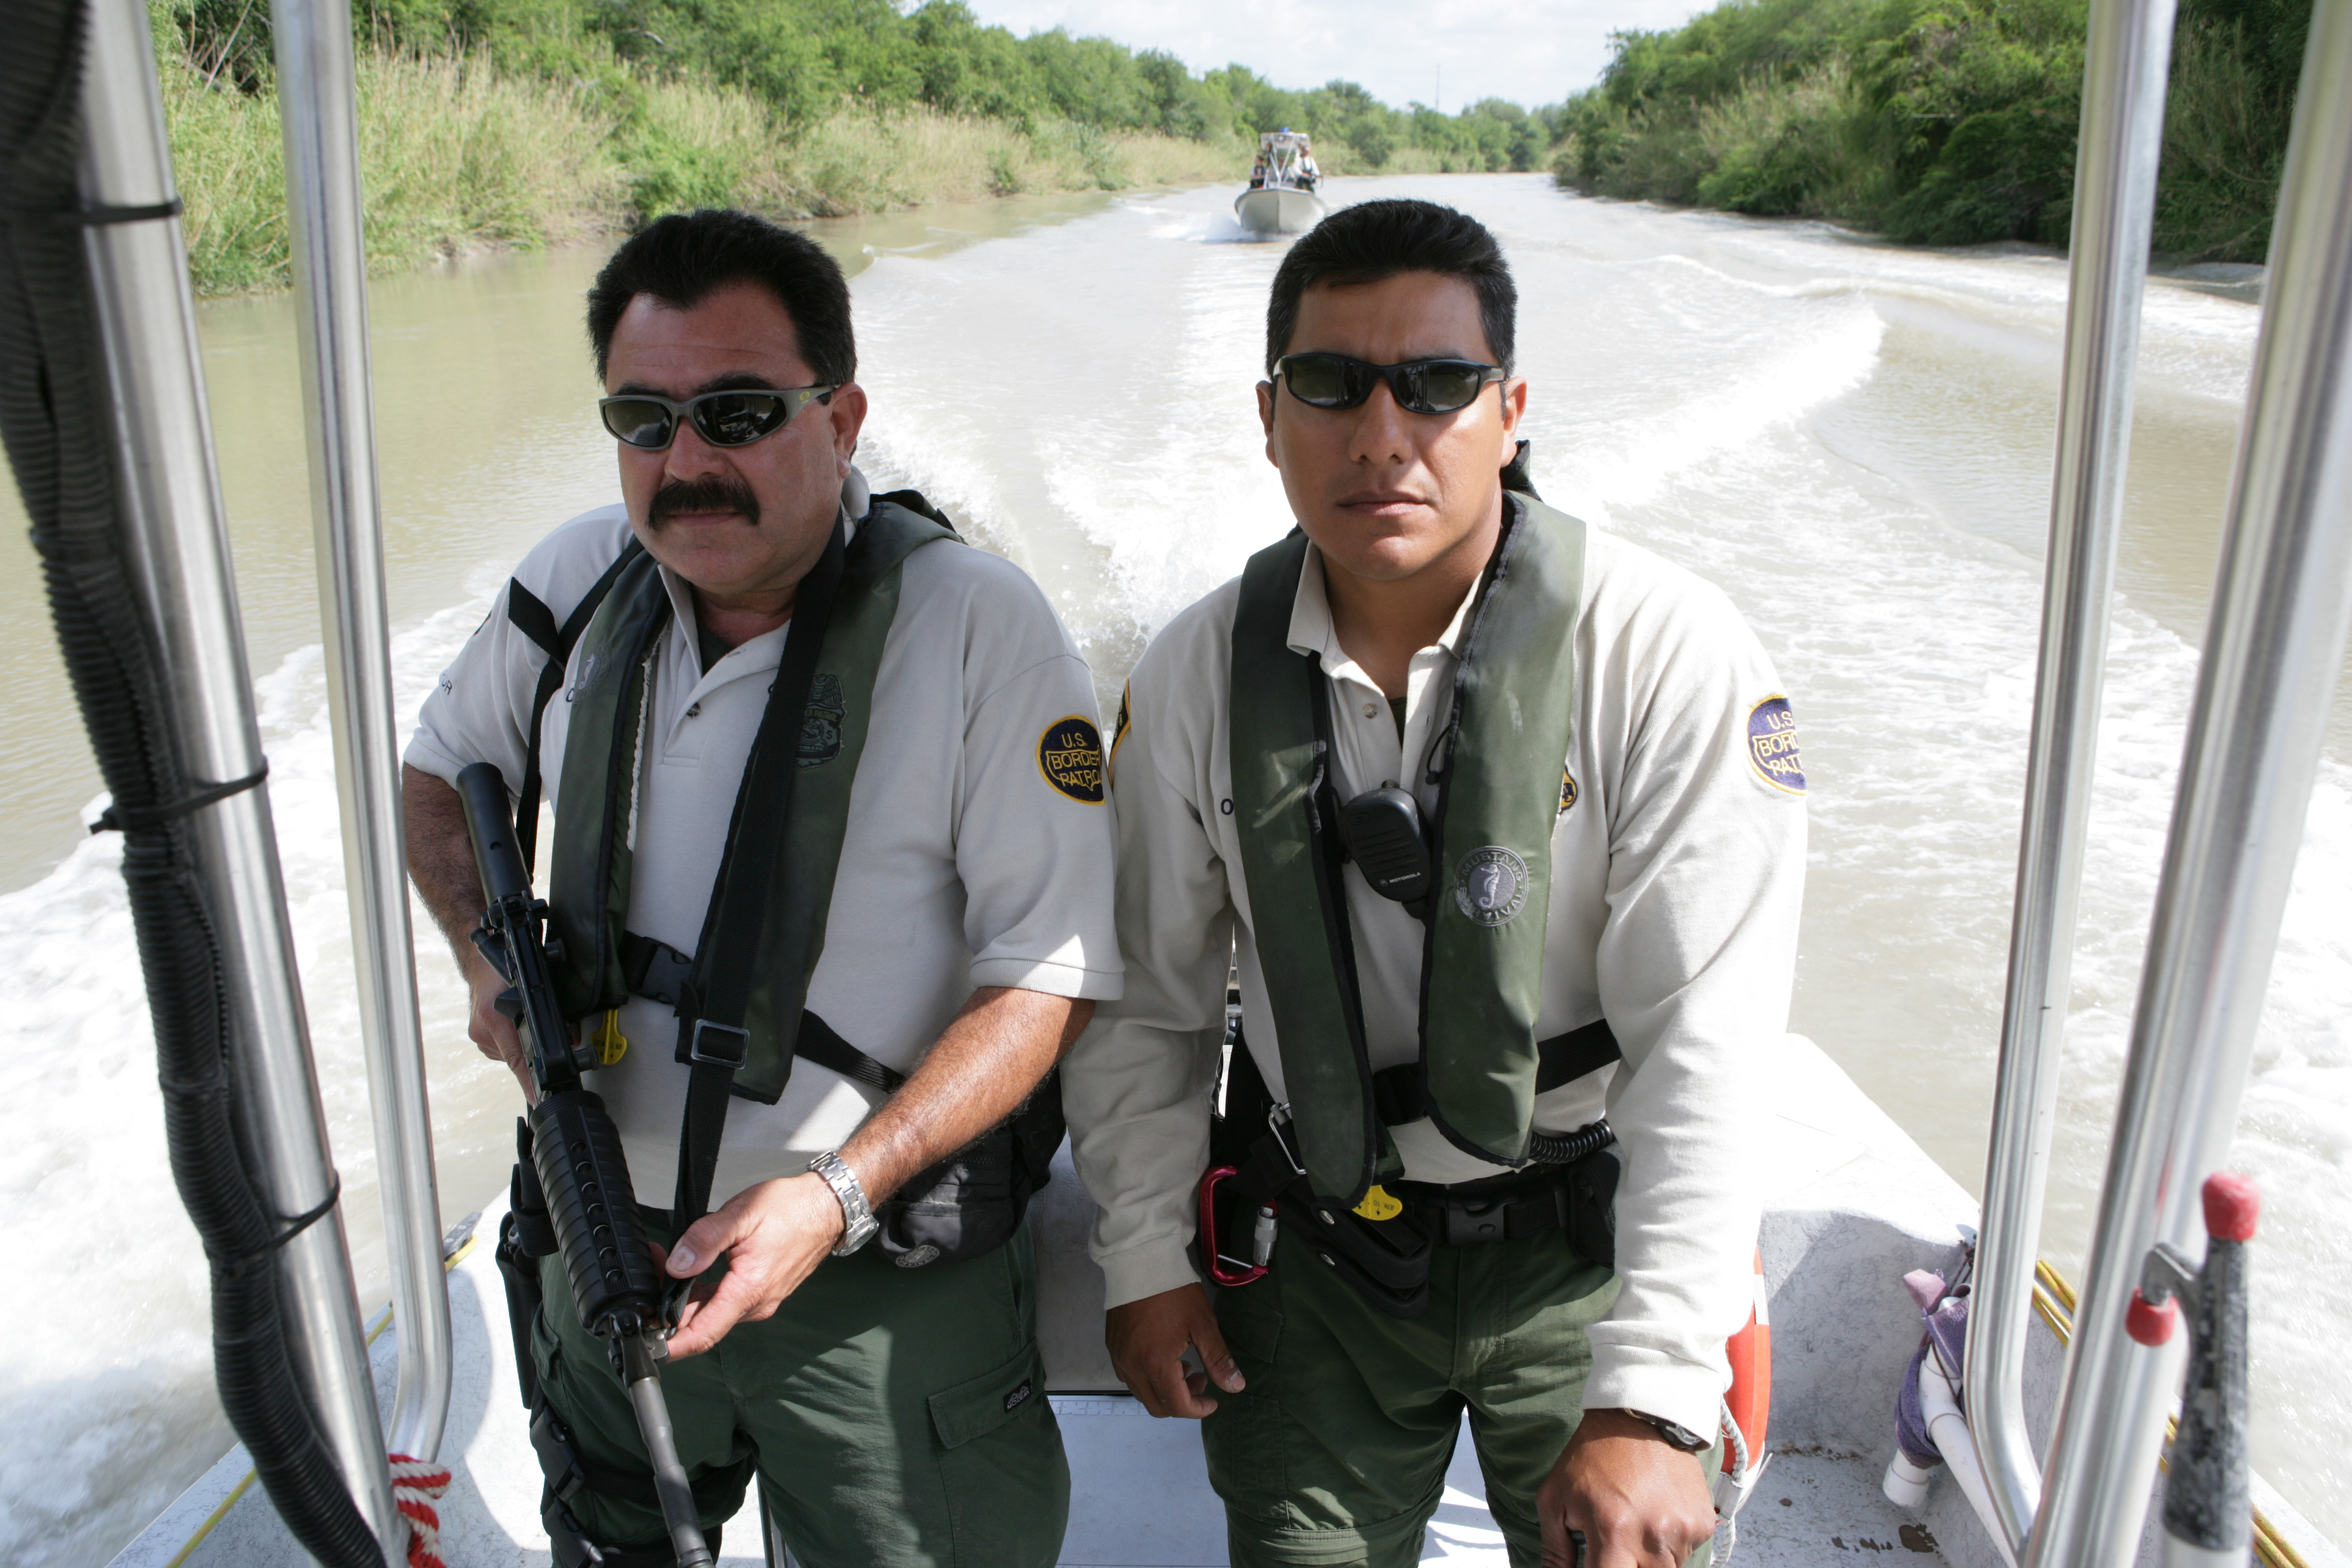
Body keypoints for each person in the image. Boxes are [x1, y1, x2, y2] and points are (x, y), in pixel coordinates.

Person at [1064, 198, 1806, 1568]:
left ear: (1510, 409)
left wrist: (1649, 1392)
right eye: (1331, 385)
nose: (1382, 434)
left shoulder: (1667, 655)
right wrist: (1148, 1261)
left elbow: (1710, 1046)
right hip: (1318, 1253)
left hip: (1587, 1251)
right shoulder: (1188, 679)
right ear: (1269, 411)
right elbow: (1155, 1007)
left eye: (1440, 386)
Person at [401, 207, 1121, 1568]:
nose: (687, 463)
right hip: (592, 1241)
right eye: (644, 419)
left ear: (840, 418)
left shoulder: (980, 628)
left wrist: (838, 1194)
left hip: (870, 1294)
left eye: (737, 413)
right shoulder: (575, 583)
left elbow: (1053, 976)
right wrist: (481, 958)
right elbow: (441, 775)